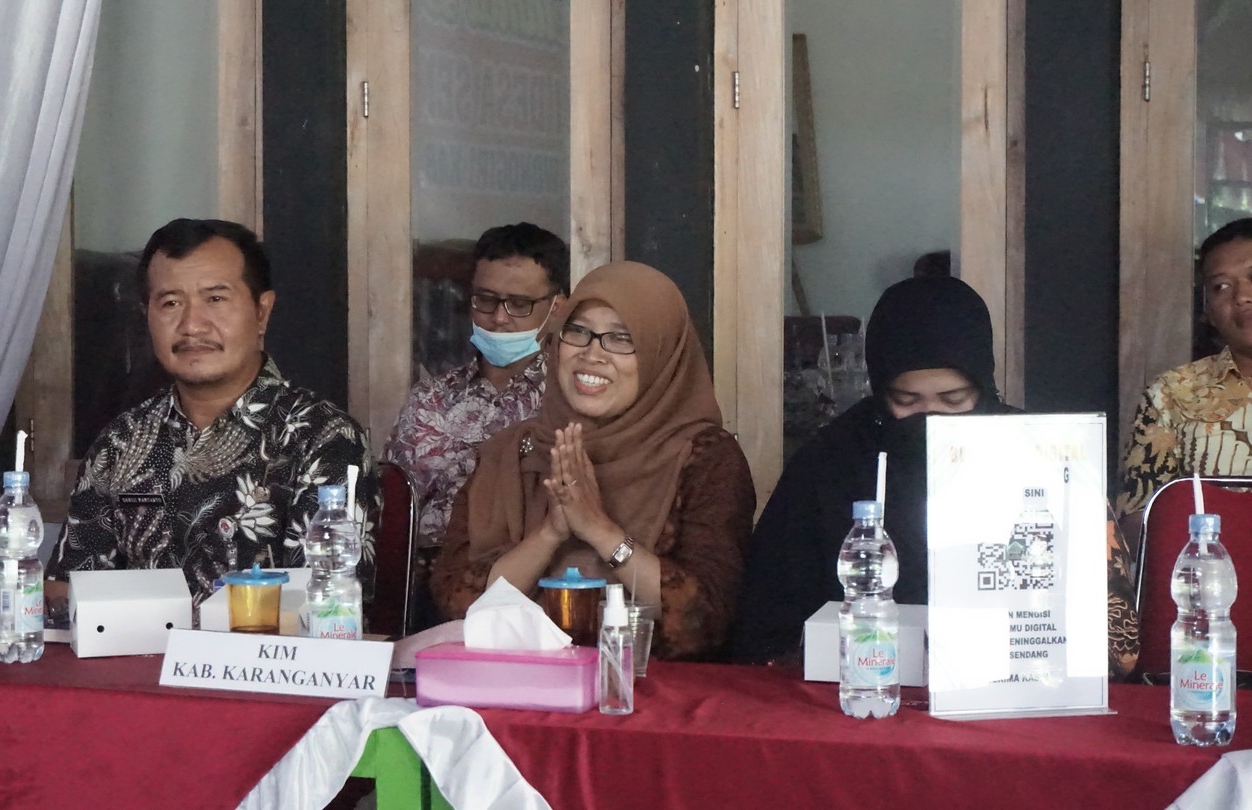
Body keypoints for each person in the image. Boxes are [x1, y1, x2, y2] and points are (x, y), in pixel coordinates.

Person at [727, 276, 1142, 677]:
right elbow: (767, 627)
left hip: (1019, 689)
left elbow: (1113, 636)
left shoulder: (1043, 456)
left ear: (983, 387)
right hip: (864, 687)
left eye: (953, 399)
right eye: (906, 400)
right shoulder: (831, 462)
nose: (930, 418)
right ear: (879, 391)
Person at [430, 261, 755, 660]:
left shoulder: (705, 459)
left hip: (653, 691)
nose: (592, 354)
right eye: (578, 331)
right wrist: (550, 534)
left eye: (621, 338)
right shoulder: (510, 454)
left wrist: (600, 531)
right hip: (516, 687)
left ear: (661, 353)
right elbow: (459, 608)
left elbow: (703, 622)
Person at [45, 219, 376, 609]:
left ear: (262, 312)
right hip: (131, 650)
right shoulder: (122, 442)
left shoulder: (323, 438)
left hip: (263, 650)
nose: (192, 326)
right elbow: (67, 595)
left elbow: (328, 608)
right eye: (171, 303)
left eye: (215, 299)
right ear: (146, 314)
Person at [384, 223, 568, 549]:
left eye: (519, 304)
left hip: (536, 572)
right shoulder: (430, 401)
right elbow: (392, 512)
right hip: (429, 572)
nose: (499, 317)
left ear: (557, 309)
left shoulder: (570, 399)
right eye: (486, 299)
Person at [1118, 218, 1252, 520]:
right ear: (1210, 313)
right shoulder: (1172, 393)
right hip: (1211, 552)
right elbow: (1140, 519)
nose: (1242, 296)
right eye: (1221, 286)